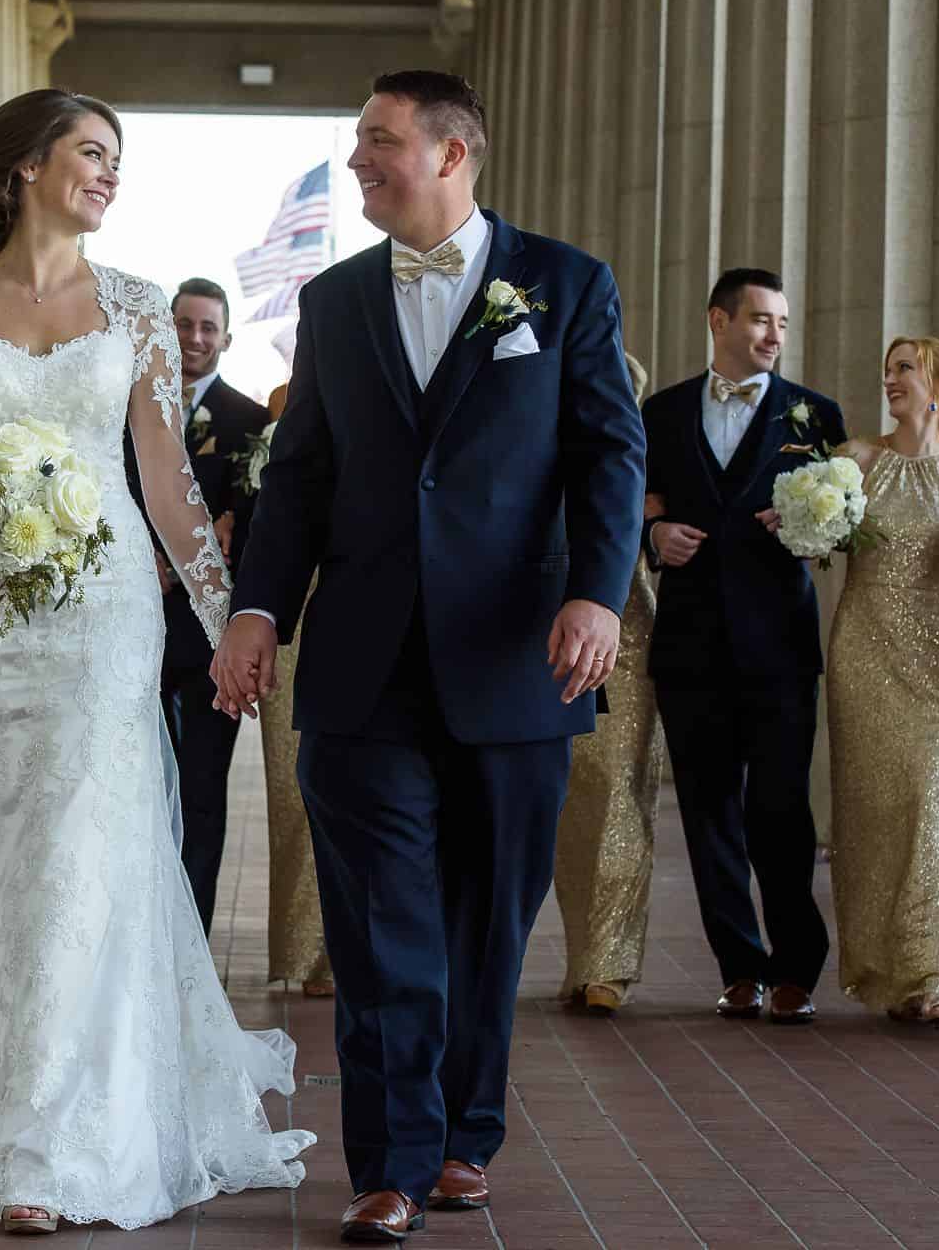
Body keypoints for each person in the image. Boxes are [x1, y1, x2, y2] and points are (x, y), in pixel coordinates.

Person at [0, 88, 312, 1234]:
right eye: (91, 153)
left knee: (81, 859)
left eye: (116, 159)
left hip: (102, 613)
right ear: (25, 167)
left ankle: (50, 1146)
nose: (110, 175)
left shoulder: (136, 306)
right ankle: (10, 1099)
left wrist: (231, 624)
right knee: (0, 868)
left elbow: (166, 487)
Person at [216, 70, 645, 1243]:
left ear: (453, 154)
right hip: (361, 664)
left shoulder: (565, 286)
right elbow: (298, 475)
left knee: (485, 924)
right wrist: (257, 611)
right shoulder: (336, 298)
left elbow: (609, 453)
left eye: (378, 141)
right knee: (379, 923)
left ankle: (464, 1136)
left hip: (515, 660)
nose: (358, 160)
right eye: (355, 141)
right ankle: (390, 1166)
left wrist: (595, 596)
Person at [640, 267, 846, 1027]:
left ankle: (795, 966)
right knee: (708, 810)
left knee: (782, 808)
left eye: (783, 323)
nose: (774, 335)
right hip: (691, 645)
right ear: (718, 320)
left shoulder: (815, 415)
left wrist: (814, 530)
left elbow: (843, 520)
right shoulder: (660, 413)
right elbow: (628, 504)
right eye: (760, 319)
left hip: (781, 649)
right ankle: (739, 966)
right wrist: (652, 535)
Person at [821, 337, 939, 1024]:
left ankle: (933, 973)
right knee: (871, 806)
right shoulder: (853, 459)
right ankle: (881, 964)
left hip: (934, 655)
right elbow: (811, 535)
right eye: (888, 365)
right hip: (860, 648)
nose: (890, 377)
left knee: (928, 798)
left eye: (905, 367)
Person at [131, 276, 269, 933]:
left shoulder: (250, 419)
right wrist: (140, 555)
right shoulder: (127, 408)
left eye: (207, 327)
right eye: (184, 324)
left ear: (226, 337)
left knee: (202, 787)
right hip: (131, 623)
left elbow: (260, 514)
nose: (194, 337)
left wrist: (217, 545)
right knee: (133, 787)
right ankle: (138, 932)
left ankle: (191, 930)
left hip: (208, 634)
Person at [554, 352, 663, 1016]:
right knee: (569, 796)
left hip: (625, 619)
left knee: (620, 786)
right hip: (540, 611)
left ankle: (609, 963)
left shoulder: (642, 418)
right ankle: (580, 952)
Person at [258, 379, 336, 998]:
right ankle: (302, 945)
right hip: (291, 616)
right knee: (294, 789)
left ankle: (345, 951)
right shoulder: (280, 407)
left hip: (349, 608)